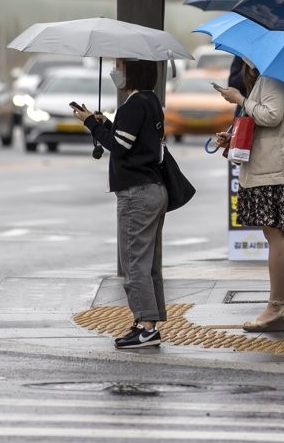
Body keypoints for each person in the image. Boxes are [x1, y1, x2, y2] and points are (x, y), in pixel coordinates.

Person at [73, 59, 167, 349]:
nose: (116, 72)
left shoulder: (133, 105)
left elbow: (120, 147)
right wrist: (107, 124)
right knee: (149, 262)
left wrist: (89, 122)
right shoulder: (152, 102)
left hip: (136, 193)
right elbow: (133, 141)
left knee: (134, 262)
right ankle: (147, 321)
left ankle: (146, 327)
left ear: (133, 72)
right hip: (154, 189)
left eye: (120, 67)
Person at [215, 60, 284, 332]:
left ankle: (277, 305)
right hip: (271, 166)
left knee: (276, 234)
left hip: (274, 169)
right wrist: (232, 137)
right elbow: (262, 119)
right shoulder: (270, 77)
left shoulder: (274, 77)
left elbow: (272, 115)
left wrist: (240, 99)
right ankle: (277, 306)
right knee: (275, 234)